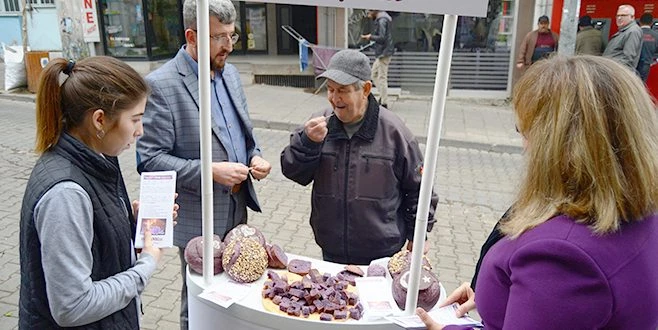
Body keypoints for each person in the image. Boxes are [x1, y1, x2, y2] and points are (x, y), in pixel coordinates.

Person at [417, 55, 658, 329]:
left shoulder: (561, 256)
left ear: (558, 143)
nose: (525, 147)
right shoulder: (638, 213)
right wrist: (503, 295)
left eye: (526, 131)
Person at [135, 0, 271, 328]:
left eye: (232, 36)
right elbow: (149, 160)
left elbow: (242, 131)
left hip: (237, 207)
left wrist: (255, 154)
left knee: (235, 291)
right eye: (218, 37)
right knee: (198, 300)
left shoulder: (231, 73)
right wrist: (210, 171)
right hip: (199, 216)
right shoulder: (163, 84)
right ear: (192, 36)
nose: (228, 46)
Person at [19, 56, 169, 328]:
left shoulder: (98, 158)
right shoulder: (65, 194)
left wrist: (131, 223)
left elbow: (95, 240)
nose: (140, 131)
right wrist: (145, 265)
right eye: (135, 119)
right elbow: (73, 306)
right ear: (99, 120)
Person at [281, 49, 438, 265]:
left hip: (382, 254)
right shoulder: (318, 124)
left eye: (343, 91)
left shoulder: (395, 132)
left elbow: (419, 189)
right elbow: (293, 172)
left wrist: (418, 235)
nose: (335, 99)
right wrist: (308, 143)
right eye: (330, 89)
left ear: (365, 89)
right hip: (331, 249)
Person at [361, 9, 395, 108]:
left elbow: (382, 37)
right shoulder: (383, 19)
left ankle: (384, 102)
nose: (368, 15)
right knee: (374, 74)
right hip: (383, 52)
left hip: (384, 53)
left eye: (368, 13)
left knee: (381, 77)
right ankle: (382, 96)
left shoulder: (382, 20)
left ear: (374, 11)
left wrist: (370, 36)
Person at [603, 5, 643, 70]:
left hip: (618, 73)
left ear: (632, 17)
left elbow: (628, 58)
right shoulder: (624, 31)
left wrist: (610, 67)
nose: (619, 18)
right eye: (618, 15)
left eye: (623, 15)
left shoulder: (633, 31)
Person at [637, 13, 658, 82]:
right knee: (641, 85)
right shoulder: (656, 35)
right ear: (651, 23)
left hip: (633, 64)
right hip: (646, 65)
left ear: (640, 22)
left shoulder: (634, 33)